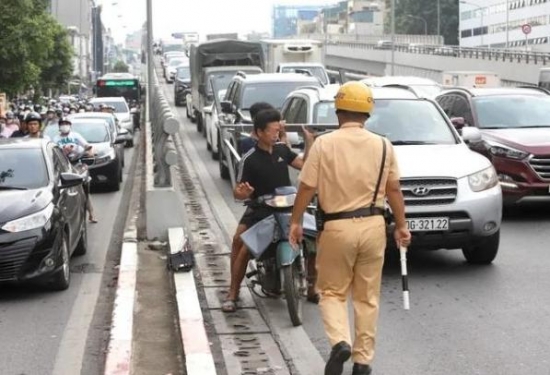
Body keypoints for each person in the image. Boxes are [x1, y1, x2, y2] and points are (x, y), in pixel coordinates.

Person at [288, 81, 411, 375]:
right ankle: (363, 360)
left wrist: (295, 221)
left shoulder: (324, 144)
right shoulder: (383, 145)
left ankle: (340, 341)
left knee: (331, 291)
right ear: (368, 112)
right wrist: (402, 226)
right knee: (367, 296)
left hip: (337, 227)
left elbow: (306, 186)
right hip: (373, 225)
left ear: (337, 110)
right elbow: (394, 190)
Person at [222, 108, 314, 313]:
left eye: (278, 129)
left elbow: (305, 165)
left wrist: (309, 142)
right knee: (241, 243)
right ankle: (233, 292)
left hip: (289, 206)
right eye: (273, 130)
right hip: (261, 209)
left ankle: (313, 286)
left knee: (314, 236)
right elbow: (238, 192)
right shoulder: (250, 159)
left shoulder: (282, 150)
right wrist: (245, 193)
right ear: (260, 132)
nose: (277, 133)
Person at [54, 117, 98, 223]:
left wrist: (90, 151)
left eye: (66, 123)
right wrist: (64, 151)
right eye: (62, 124)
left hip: (78, 164)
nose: (64, 125)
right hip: (64, 166)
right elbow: (55, 154)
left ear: (70, 125)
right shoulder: (55, 139)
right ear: (59, 126)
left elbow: (88, 147)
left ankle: (91, 213)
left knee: (84, 188)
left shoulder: (76, 136)